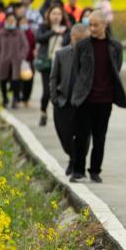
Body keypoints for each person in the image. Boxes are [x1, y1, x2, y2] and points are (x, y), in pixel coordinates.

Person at [69, 10, 126, 183]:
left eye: (95, 25)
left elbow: (116, 68)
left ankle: (95, 170)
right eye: (90, 25)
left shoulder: (115, 46)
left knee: (100, 137)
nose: (92, 28)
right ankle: (78, 171)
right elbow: (77, 70)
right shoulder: (82, 45)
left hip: (105, 100)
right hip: (85, 99)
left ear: (104, 25)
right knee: (81, 137)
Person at [51, 24, 90, 175]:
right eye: (77, 39)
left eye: (83, 40)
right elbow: (54, 77)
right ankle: (72, 156)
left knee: (84, 135)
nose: (80, 43)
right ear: (72, 38)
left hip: (84, 102)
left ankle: (77, 163)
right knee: (65, 134)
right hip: (64, 101)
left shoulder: (90, 55)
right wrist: (54, 97)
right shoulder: (62, 54)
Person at [35, 5, 71, 126]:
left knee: (59, 91)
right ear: (49, 15)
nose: (56, 17)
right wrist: (53, 32)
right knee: (47, 92)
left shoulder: (67, 29)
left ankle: (60, 116)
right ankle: (43, 112)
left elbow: (67, 42)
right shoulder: (43, 27)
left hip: (61, 65)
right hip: (47, 64)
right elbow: (39, 38)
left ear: (62, 16)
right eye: (53, 14)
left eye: (59, 14)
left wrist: (62, 32)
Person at [0, 11, 29, 109]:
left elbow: (25, 46)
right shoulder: (1, 33)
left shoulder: (19, 33)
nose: (11, 22)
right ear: (5, 21)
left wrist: (21, 56)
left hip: (16, 62)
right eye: (9, 20)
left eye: (13, 20)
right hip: (3, 61)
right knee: (2, 81)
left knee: (15, 81)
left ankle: (15, 100)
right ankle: (4, 99)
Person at [18, 13, 36, 107]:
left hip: (29, 60)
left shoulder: (30, 33)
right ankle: (19, 98)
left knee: (29, 80)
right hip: (18, 61)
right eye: (22, 22)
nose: (24, 24)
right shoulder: (16, 33)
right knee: (19, 80)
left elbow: (33, 46)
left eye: (25, 22)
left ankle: (26, 98)